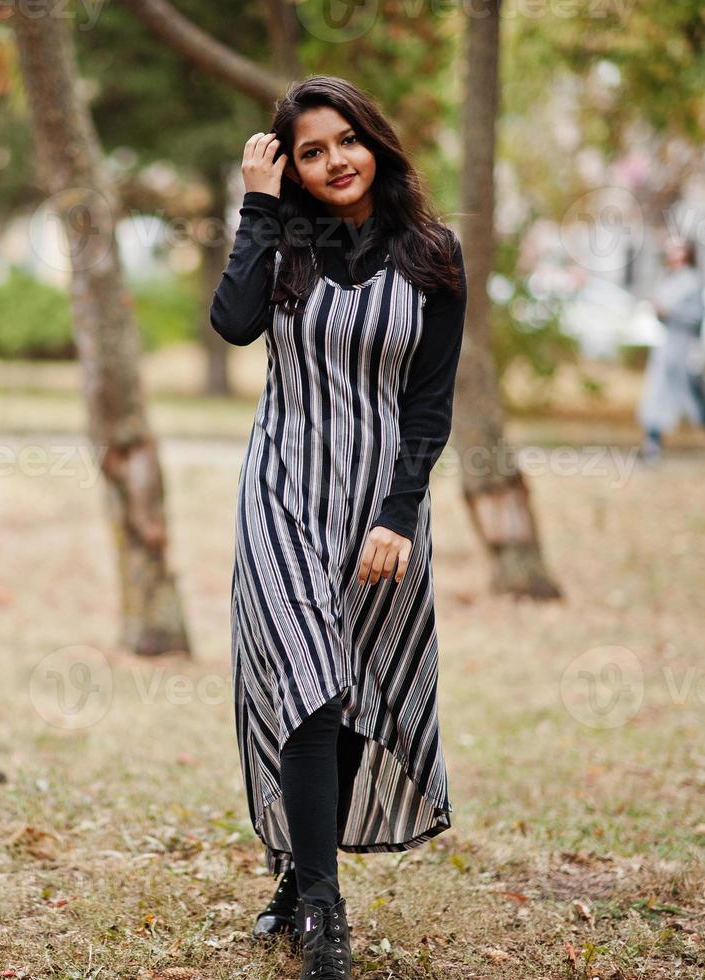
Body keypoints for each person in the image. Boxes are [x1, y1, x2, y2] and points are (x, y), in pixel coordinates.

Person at [209, 75, 465, 980]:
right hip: (280, 491)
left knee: (353, 691)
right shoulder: (280, 244)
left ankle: (294, 879)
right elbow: (232, 324)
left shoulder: (434, 252)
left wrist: (399, 512)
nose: (333, 162)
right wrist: (256, 205)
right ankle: (322, 910)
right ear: (293, 166)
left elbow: (429, 404)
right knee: (311, 689)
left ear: (374, 141)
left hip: (380, 509)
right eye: (309, 151)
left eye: (344, 140)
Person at [636, 237, 705, 465]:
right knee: (657, 398)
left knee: (699, 404)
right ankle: (651, 447)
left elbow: (697, 318)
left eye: (678, 251)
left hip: (686, 353)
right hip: (667, 350)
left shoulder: (693, 282)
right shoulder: (666, 281)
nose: (672, 255)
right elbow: (661, 315)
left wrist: (670, 313)